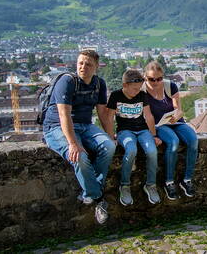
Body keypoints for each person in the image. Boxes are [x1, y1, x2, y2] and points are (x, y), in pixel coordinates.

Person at [43, 50, 116, 224]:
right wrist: (73, 143)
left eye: (88, 64)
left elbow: (103, 114)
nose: (83, 67)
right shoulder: (67, 81)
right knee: (79, 156)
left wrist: (110, 135)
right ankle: (98, 198)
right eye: (80, 63)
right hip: (56, 127)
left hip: (85, 125)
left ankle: (90, 191)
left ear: (96, 67)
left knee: (109, 146)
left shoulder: (99, 84)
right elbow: (63, 116)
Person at [106, 69, 162, 206]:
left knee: (152, 151)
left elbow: (148, 116)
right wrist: (109, 137)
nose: (137, 91)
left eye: (139, 89)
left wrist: (153, 135)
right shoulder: (115, 96)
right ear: (125, 85)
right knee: (131, 150)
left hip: (142, 130)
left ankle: (150, 184)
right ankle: (124, 185)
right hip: (124, 131)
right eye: (135, 89)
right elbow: (109, 118)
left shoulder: (142, 95)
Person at [143, 61, 198, 200]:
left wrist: (177, 115)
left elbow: (178, 109)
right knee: (173, 142)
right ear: (145, 77)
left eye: (159, 79)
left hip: (174, 121)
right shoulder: (142, 91)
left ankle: (187, 179)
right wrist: (153, 135)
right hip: (158, 124)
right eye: (151, 79)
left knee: (193, 140)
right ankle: (169, 181)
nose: (155, 82)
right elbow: (148, 115)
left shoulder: (170, 86)